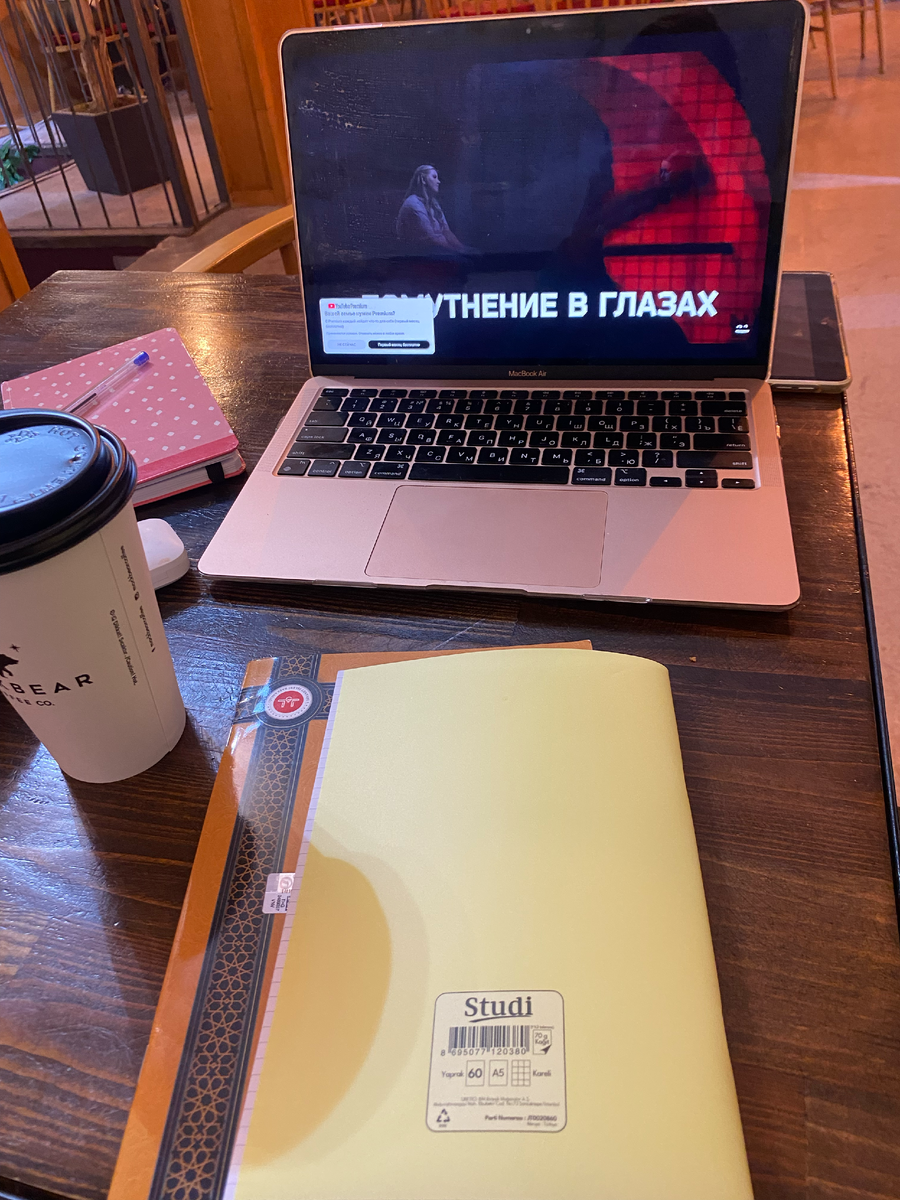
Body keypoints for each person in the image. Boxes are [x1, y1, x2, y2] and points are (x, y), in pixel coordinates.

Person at [395, 165, 474, 254]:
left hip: (441, 249)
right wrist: (457, 252)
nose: (438, 181)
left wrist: (463, 248)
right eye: (434, 177)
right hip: (424, 253)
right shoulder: (413, 203)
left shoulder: (434, 203)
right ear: (423, 179)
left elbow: (446, 231)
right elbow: (432, 238)